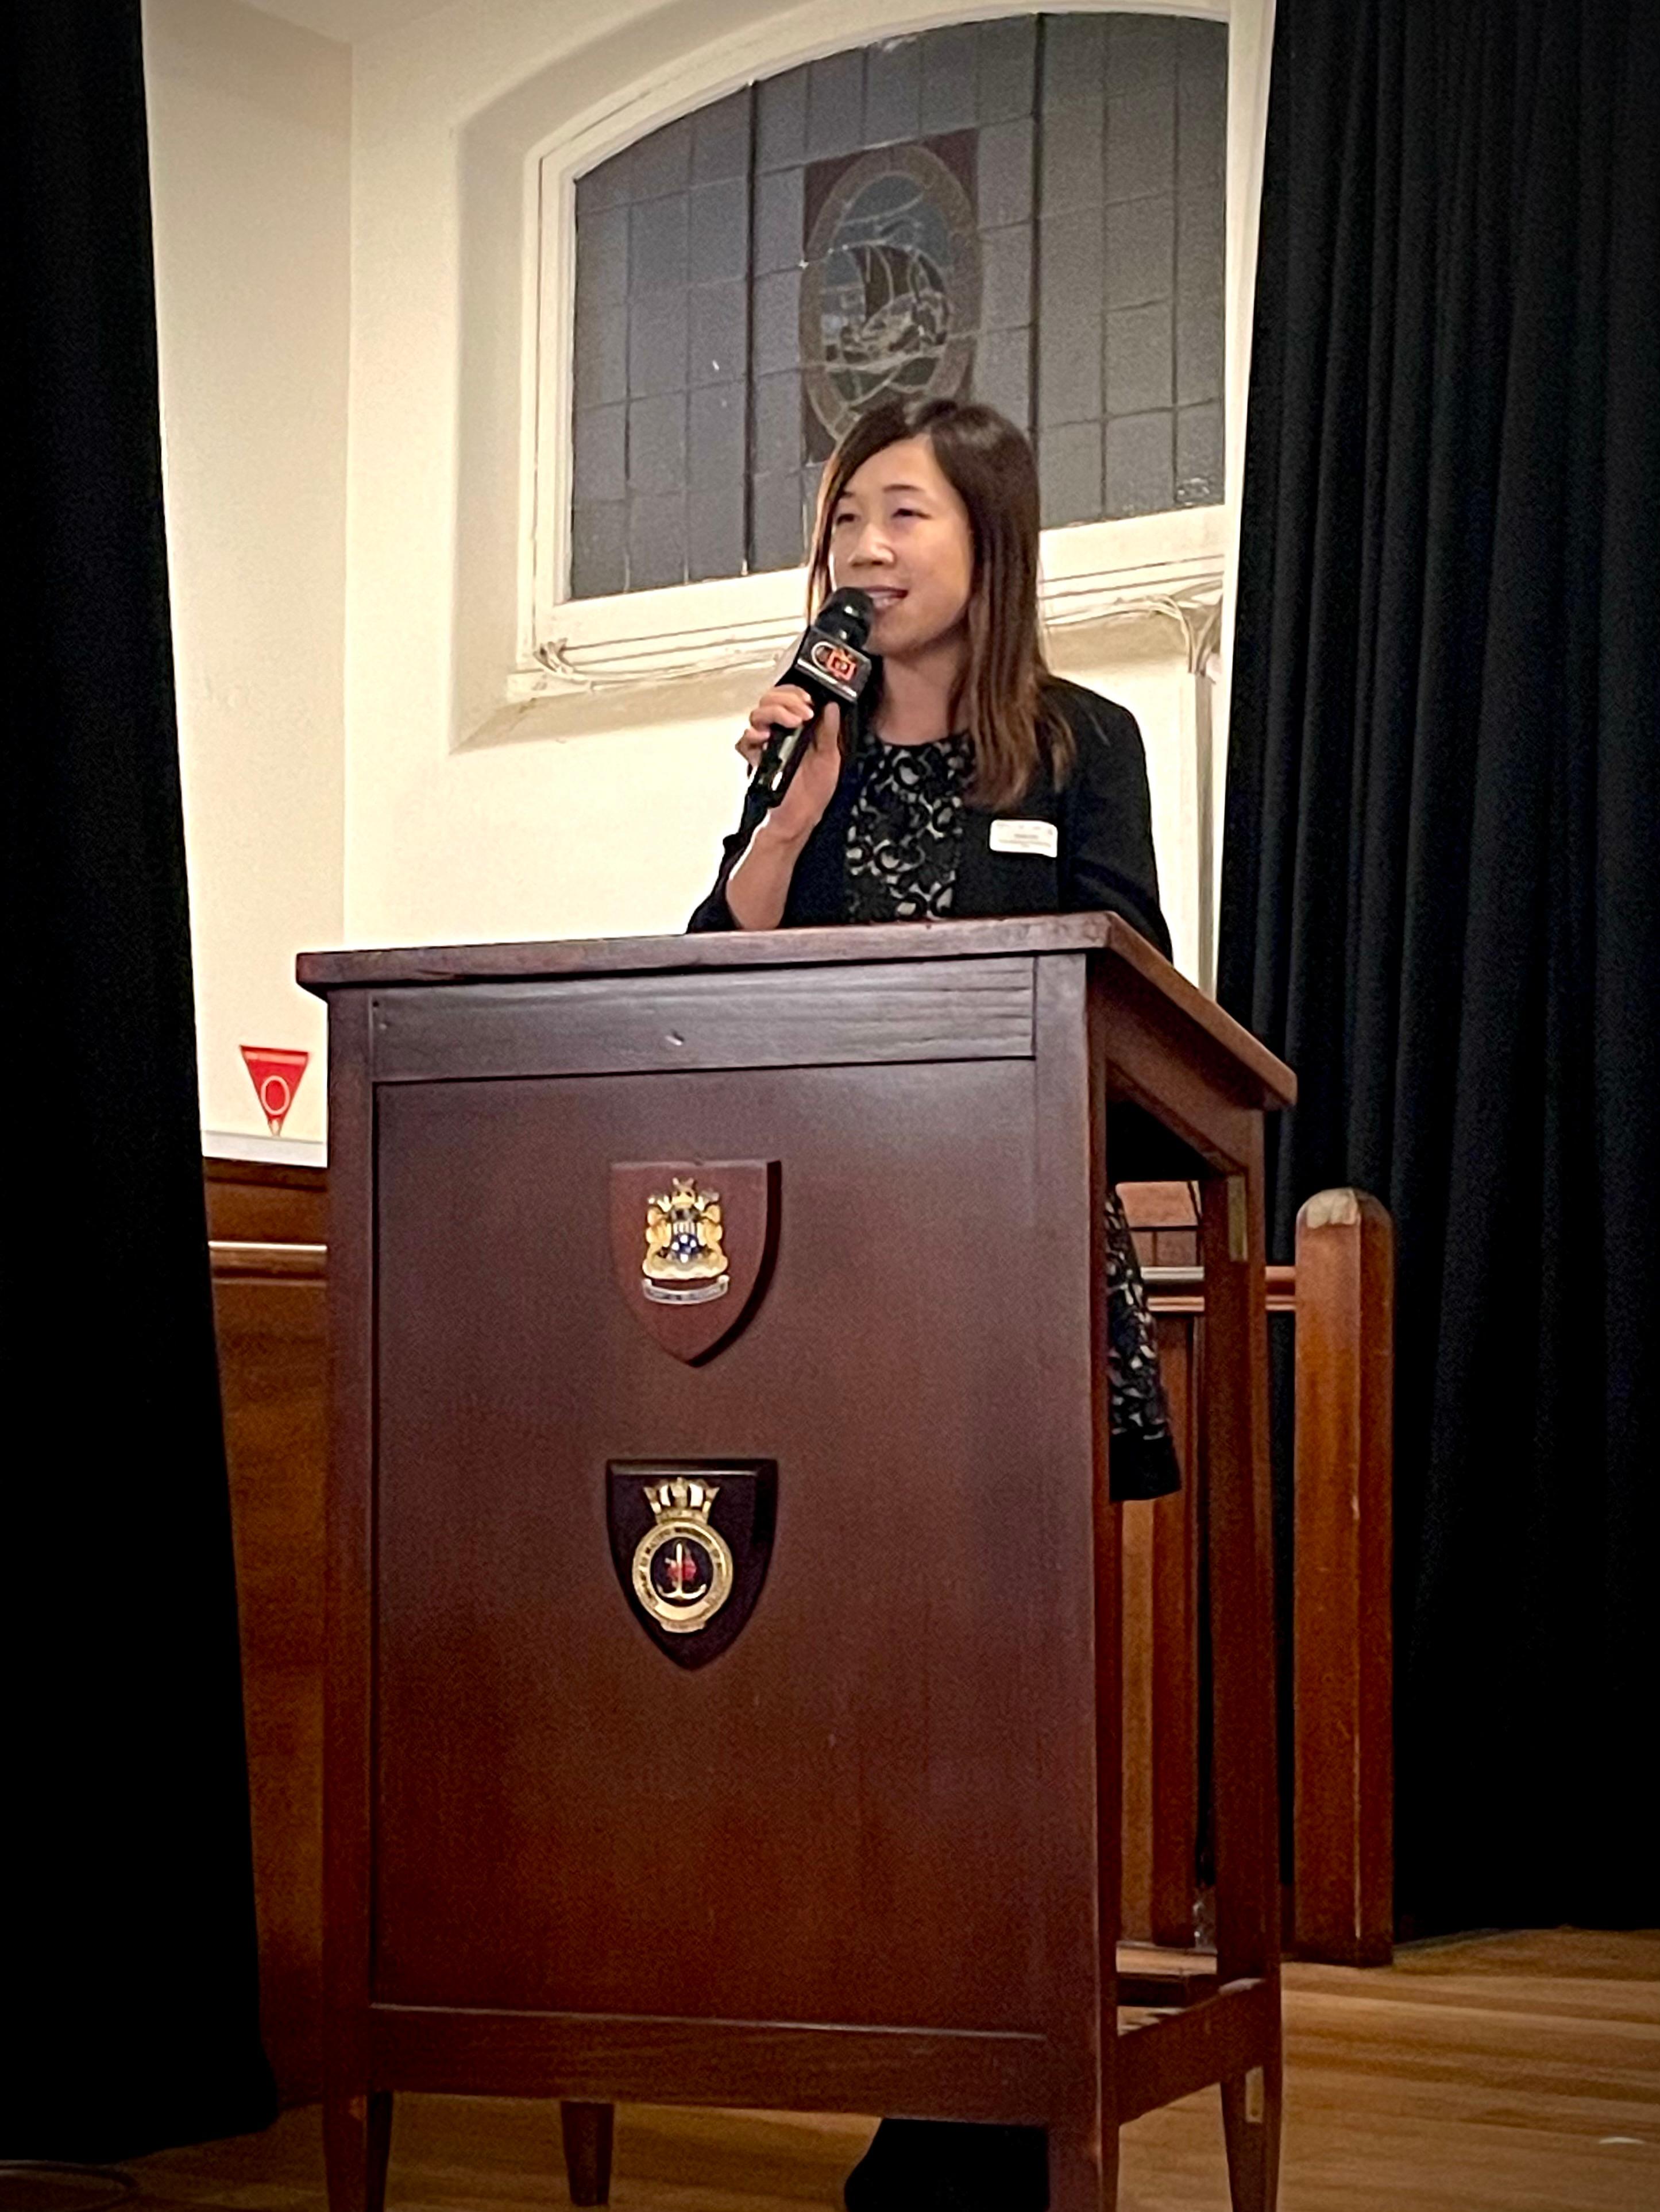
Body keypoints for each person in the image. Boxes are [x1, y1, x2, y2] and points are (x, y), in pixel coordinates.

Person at [688, 395, 1178, 2212]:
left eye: (899, 514)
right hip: (836, 1283)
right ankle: (926, 2066)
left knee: (1011, 1709)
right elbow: (710, 985)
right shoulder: (798, 755)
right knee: (870, 1707)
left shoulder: (1078, 745)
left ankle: (1002, 2093)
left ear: (987, 540)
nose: (862, 553)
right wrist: (782, 817)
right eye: (841, 525)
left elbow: (1126, 1002)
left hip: (1015, 1279)